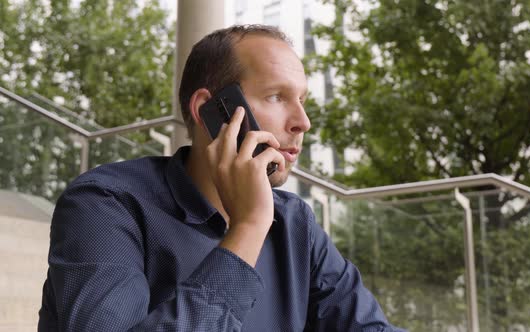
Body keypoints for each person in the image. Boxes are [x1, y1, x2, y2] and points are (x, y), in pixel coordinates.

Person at [38, 24, 405, 331]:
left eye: (303, 100)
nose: (302, 122)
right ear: (210, 111)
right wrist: (248, 227)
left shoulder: (295, 223)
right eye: (277, 97)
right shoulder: (105, 205)